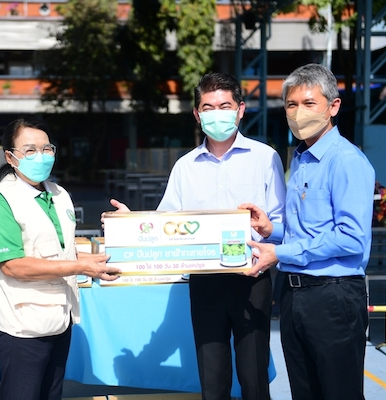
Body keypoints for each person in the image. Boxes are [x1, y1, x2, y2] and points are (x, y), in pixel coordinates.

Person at [108, 72, 286, 400]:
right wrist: (130, 226)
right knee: (212, 378)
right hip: (205, 282)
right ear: (197, 114)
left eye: (225, 106)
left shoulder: (265, 159)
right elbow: (165, 224)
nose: (217, 114)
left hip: (252, 279)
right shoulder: (185, 167)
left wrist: (269, 238)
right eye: (208, 107)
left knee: (254, 377)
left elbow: (280, 222)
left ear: (240, 110)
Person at [241, 63, 375, 400]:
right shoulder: (301, 159)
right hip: (294, 294)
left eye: (309, 103)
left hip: (333, 296)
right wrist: (271, 230)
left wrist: (280, 252)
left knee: (339, 393)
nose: (299, 112)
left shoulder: (345, 161)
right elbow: (308, 229)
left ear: (333, 106)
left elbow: (350, 237)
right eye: (291, 104)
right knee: (305, 392)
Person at [0, 116, 121, 400]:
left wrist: (101, 257)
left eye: (46, 149)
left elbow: (62, 250)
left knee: (51, 394)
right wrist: (80, 266)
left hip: (59, 318)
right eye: (30, 150)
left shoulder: (59, 194)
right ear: (10, 157)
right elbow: (13, 265)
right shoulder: (2, 201)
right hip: (22, 326)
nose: (41, 156)